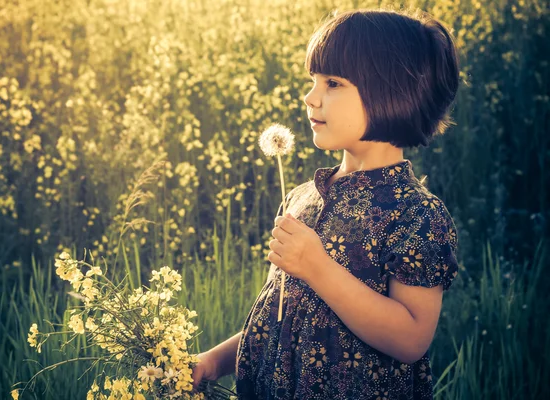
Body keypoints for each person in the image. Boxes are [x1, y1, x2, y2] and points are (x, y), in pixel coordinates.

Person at [192, 6, 461, 400]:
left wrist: (318, 267)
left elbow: (411, 338)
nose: (310, 97)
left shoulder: (416, 214)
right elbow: (281, 318)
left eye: (332, 83)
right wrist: (215, 361)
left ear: (389, 92)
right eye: (312, 80)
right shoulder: (301, 197)